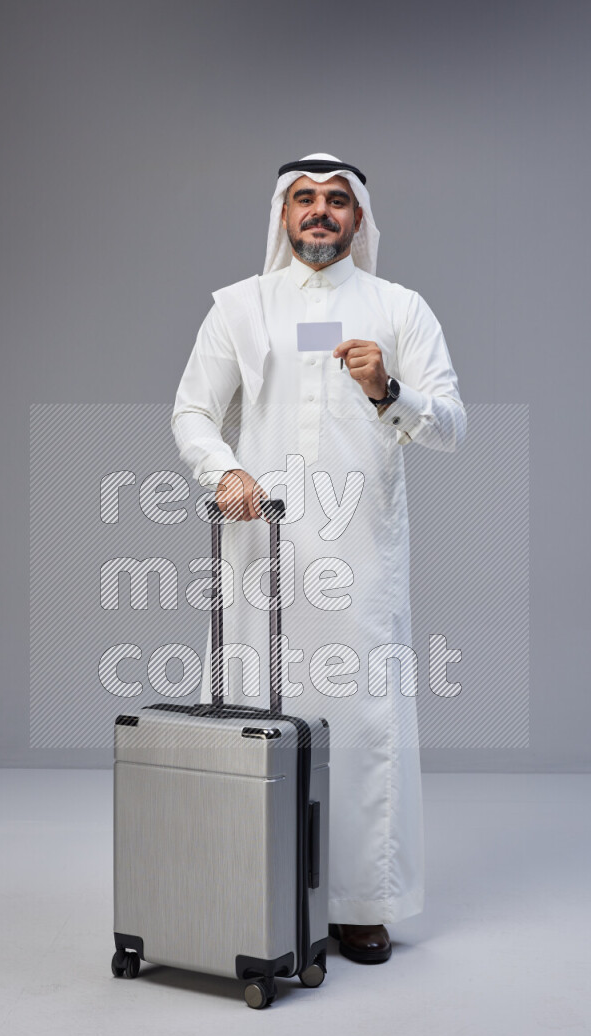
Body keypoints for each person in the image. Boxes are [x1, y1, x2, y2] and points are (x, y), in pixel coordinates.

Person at [172, 153, 466, 964]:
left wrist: (389, 390)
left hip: (360, 553)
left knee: (363, 721)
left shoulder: (399, 308)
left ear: (360, 219)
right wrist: (223, 468)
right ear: (282, 215)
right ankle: (247, 886)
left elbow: (451, 424)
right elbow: (193, 408)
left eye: (338, 201)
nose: (321, 212)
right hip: (259, 547)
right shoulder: (240, 306)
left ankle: (359, 903)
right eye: (304, 199)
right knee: (251, 717)